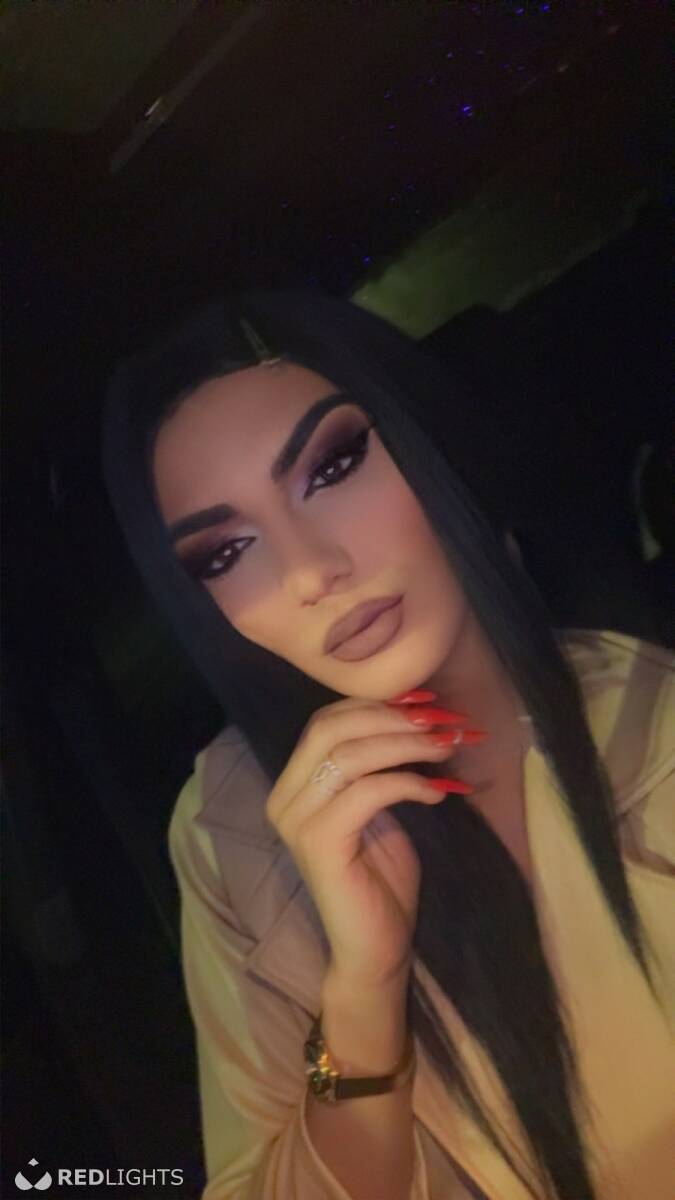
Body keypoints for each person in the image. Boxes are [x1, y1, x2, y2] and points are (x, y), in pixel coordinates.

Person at [100, 289, 674, 1200]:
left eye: (331, 467)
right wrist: (364, 992)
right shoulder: (231, 829)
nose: (308, 571)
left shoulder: (650, 707)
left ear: (424, 440)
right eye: (223, 554)